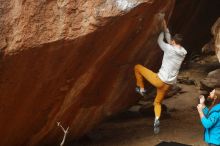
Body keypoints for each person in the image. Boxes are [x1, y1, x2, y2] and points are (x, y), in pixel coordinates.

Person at [134, 13, 187, 134]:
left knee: (137, 67)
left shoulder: (168, 48)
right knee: (157, 102)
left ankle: (141, 88)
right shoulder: (183, 52)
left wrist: (161, 31)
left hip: (159, 80)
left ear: (173, 42)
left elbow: (160, 41)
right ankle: (157, 119)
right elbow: (171, 42)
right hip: (168, 85)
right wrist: (164, 25)